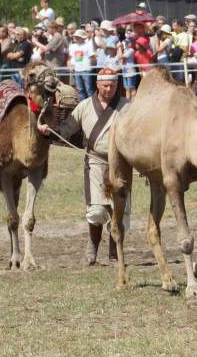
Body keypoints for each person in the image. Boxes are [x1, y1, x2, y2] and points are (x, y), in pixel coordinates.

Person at [38, 68, 129, 265]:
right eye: (105, 85)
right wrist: (49, 131)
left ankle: (114, 253)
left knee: (119, 211)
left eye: (112, 85)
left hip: (120, 164)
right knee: (96, 211)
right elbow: (67, 128)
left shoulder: (127, 106)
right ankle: (93, 246)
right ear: (97, 85)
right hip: (95, 162)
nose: (109, 89)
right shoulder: (85, 106)